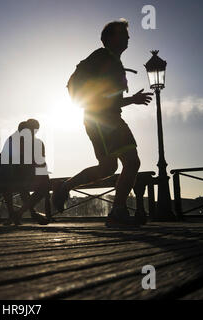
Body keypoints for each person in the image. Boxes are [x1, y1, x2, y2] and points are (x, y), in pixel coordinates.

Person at [52, 20, 153, 227]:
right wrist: (122, 101)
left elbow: (109, 98)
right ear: (110, 38)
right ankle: (118, 212)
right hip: (103, 119)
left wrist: (130, 100)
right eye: (123, 34)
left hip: (101, 118)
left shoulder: (111, 62)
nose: (128, 38)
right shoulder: (102, 57)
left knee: (108, 167)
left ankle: (65, 187)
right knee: (131, 162)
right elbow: (101, 97)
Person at [0, 119, 50, 225]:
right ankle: (22, 213)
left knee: (16, 184)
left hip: (21, 176)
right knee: (14, 183)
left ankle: (17, 214)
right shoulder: (16, 141)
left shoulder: (32, 142)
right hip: (16, 176)